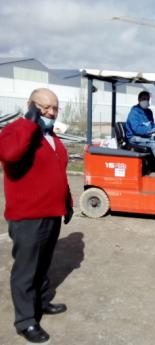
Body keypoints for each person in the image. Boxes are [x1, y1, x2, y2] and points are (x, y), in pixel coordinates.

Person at [0, 88, 73, 343]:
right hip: (28, 216)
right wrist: (28, 122)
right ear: (30, 105)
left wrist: (68, 201)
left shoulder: (51, 137)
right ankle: (25, 321)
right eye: (44, 107)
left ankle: (40, 303)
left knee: (42, 264)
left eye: (55, 108)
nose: (50, 112)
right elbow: (9, 154)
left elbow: (58, 172)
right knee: (26, 270)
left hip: (51, 212)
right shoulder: (15, 131)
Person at [125, 91, 155, 174]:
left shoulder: (149, 112)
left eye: (147, 99)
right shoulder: (134, 113)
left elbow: (151, 124)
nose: (146, 101)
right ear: (139, 100)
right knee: (153, 144)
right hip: (133, 137)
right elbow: (136, 129)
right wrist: (149, 130)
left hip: (145, 136)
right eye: (143, 99)